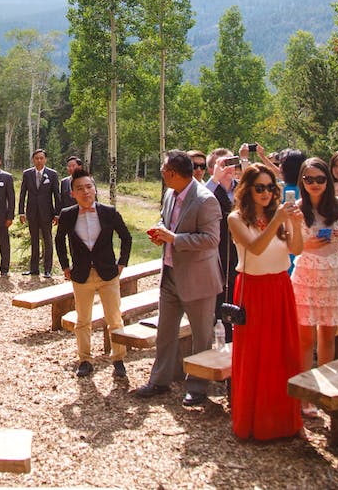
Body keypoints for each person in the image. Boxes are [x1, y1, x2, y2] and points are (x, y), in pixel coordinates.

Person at [132, 150, 222, 407]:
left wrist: (174, 239)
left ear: (172, 173)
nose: (161, 172)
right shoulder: (170, 193)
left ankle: (197, 386)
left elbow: (211, 240)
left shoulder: (206, 200)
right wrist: (160, 232)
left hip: (198, 280)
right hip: (170, 275)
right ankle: (159, 381)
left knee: (201, 336)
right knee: (165, 332)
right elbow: (166, 220)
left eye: (163, 169)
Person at [226, 162, 304, 441]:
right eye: (260, 187)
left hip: (280, 286)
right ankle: (255, 423)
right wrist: (278, 220)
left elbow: (296, 250)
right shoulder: (236, 218)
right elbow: (255, 249)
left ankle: (285, 421)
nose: (267, 193)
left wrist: (293, 222)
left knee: (284, 353)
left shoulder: (278, 218)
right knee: (257, 356)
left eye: (271, 188)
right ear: (247, 189)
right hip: (254, 290)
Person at [290, 158, 338, 417]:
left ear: (328, 181)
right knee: (305, 338)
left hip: (333, 272)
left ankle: (324, 393)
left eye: (320, 179)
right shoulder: (296, 208)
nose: (314, 184)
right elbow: (292, 247)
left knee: (328, 336)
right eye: (309, 179)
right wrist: (310, 245)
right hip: (306, 271)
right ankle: (305, 395)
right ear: (302, 181)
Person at [56, 168, 132, 380]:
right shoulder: (67, 215)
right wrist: (65, 267)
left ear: (95, 189)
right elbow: (59, 240)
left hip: (108, 273)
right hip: (81, 274)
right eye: (80, 188)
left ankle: (118, 359)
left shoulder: (109, 212)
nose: (85, 192)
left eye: (89, 187)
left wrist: (121, 263)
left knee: (114, 319)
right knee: (83, 320)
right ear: (73, 193)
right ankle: (85, 360)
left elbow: (126, 237)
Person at [206, 150, 241, 315]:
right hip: (216, 250)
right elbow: (198, 199)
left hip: (240, 248)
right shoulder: (207, 188)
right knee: (218, 292)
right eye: (222, 164)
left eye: (231, 162)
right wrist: (215, 180)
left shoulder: (242, 187)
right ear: (211, 169)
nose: (228, 168)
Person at [18, 148, 60, 278]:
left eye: (41, 158)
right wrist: (21, 212)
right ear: (33, 160)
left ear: (45, 159)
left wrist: (57, 214)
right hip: (32, 212)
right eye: (36, 158)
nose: (39, 160)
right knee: (34, 240)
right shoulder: (27, 174)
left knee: (47, 241)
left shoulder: (52, 174)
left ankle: (47, 269)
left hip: (47, 213)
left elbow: (56, 195)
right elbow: (23, 193)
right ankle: (34, 269)